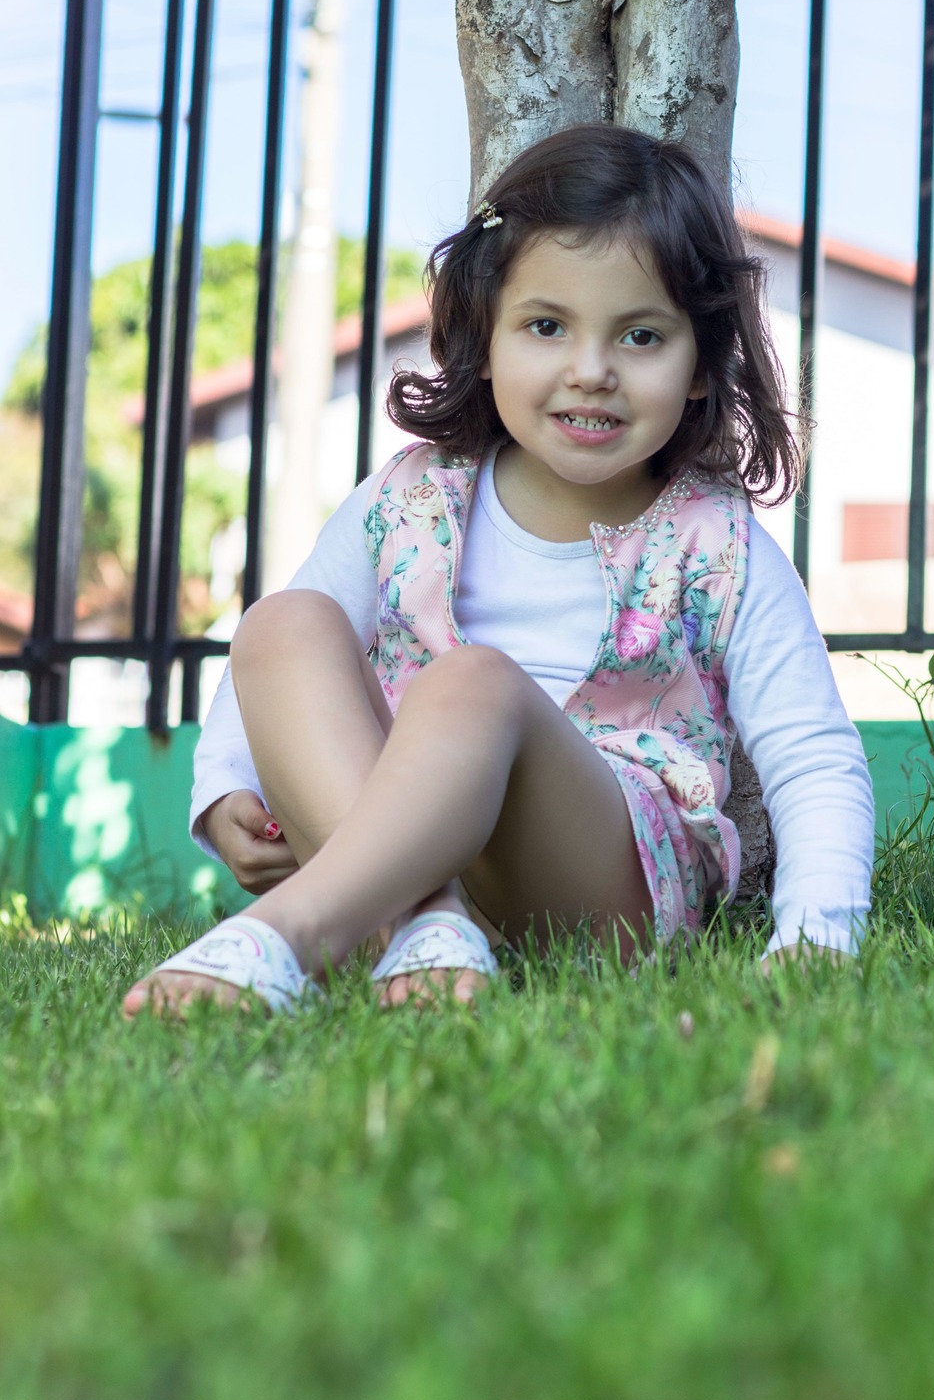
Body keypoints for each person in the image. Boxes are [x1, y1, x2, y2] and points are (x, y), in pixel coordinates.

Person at [123, 124, 874, 1017]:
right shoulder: (410, 500)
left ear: (703, 366)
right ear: (486, 336)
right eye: (547, 326)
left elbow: (814, 756)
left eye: (640, 336)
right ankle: (426, 932)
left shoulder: (714, 545)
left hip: (600, 885)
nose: (589, 372)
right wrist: (224, 788)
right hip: (410, 844)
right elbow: (281, 662)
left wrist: (818, 932)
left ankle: (286, 940)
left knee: (470, 683)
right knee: (281, 621)